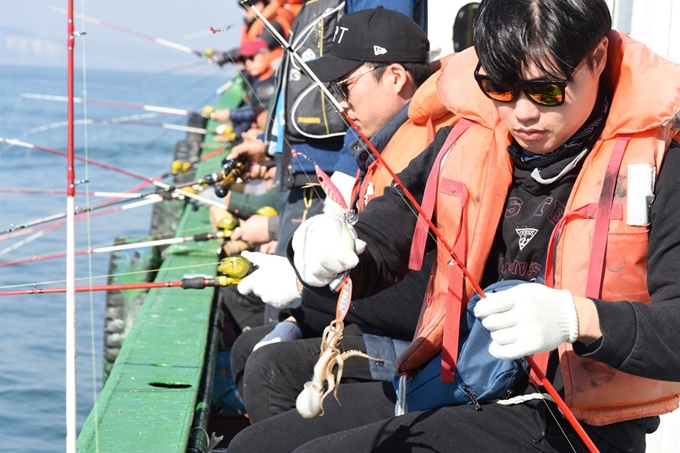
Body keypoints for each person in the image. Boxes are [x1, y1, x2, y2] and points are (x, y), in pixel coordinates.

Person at [228, 0, 680, 452]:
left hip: (572, 425)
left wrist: (578, 318)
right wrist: (327, 252)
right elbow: (388, 228)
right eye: (500, 87)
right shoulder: (469, 136)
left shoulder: (663, 159)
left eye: (545, 91)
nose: (521, 113)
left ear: (597, 58)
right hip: (458, 385)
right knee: (256, 446)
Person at [229, 7, 440, 422]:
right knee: (248, 348)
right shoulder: (384, 143)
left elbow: (418, 295)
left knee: (270, 371)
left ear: (396, 78)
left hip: (420, 346)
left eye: (346, 86)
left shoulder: (420, 151)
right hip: (379, 316)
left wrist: (301, 290)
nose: (340, 103)